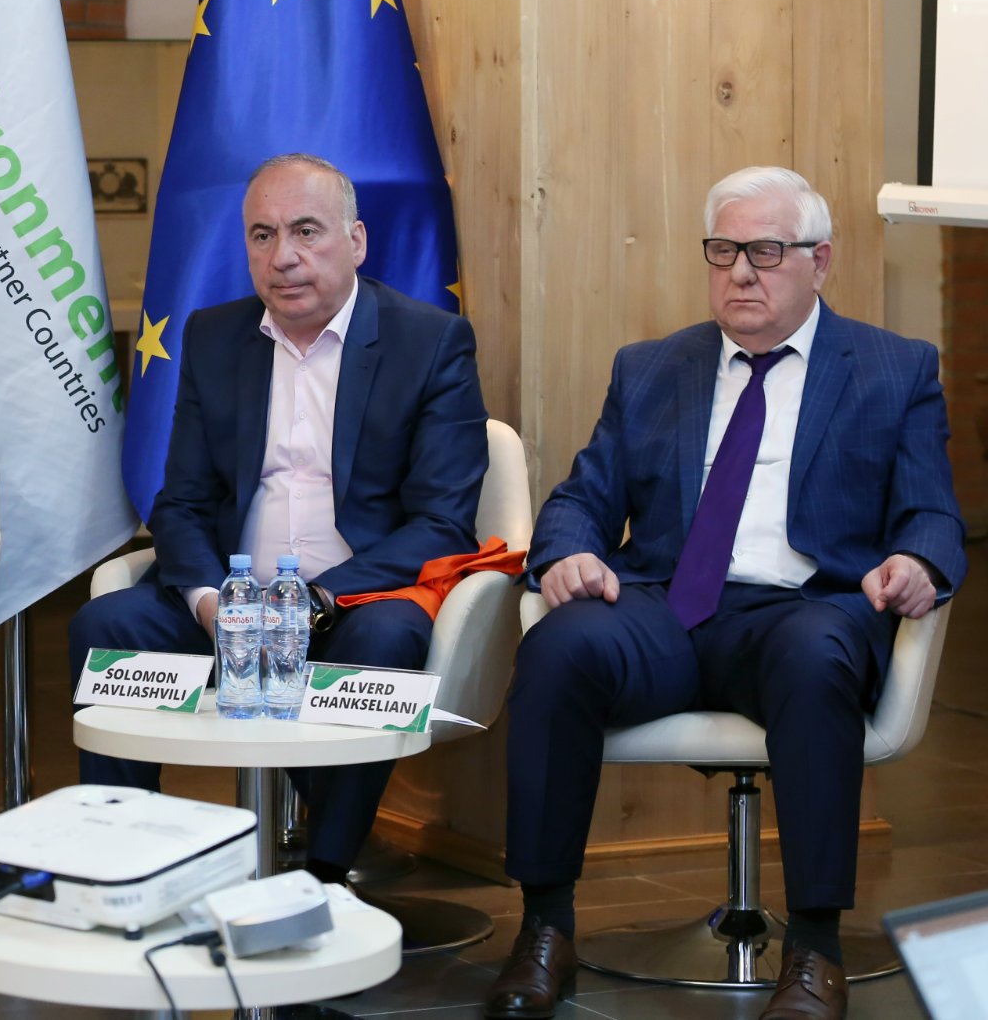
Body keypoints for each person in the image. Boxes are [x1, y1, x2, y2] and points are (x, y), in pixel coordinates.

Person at [487, 167, 967, 1020]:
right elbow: (580, 499)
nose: (741, 272)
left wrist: (919, 563)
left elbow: (933, 512)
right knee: (559, 646)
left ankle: (814, 952)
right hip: (666, 608)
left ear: (820, 261)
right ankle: (545, 929)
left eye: (766, 251)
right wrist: (568, 552)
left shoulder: (894, 370)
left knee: (816, 657)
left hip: (803, 609)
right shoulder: (651, 368)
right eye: (723, 251)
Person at [67, 153, 488, 884]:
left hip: (351, 601)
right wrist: (212, 604)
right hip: (231, 603)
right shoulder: (214, 336)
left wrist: (312, 604)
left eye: (306, 231)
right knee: (109, 625)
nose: (283, 256)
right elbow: (182, 501)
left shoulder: (429, 342)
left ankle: (321, 875)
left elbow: (442, 521)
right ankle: (128, 868)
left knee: (385, 638)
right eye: (262, 235)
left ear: (356, 241)